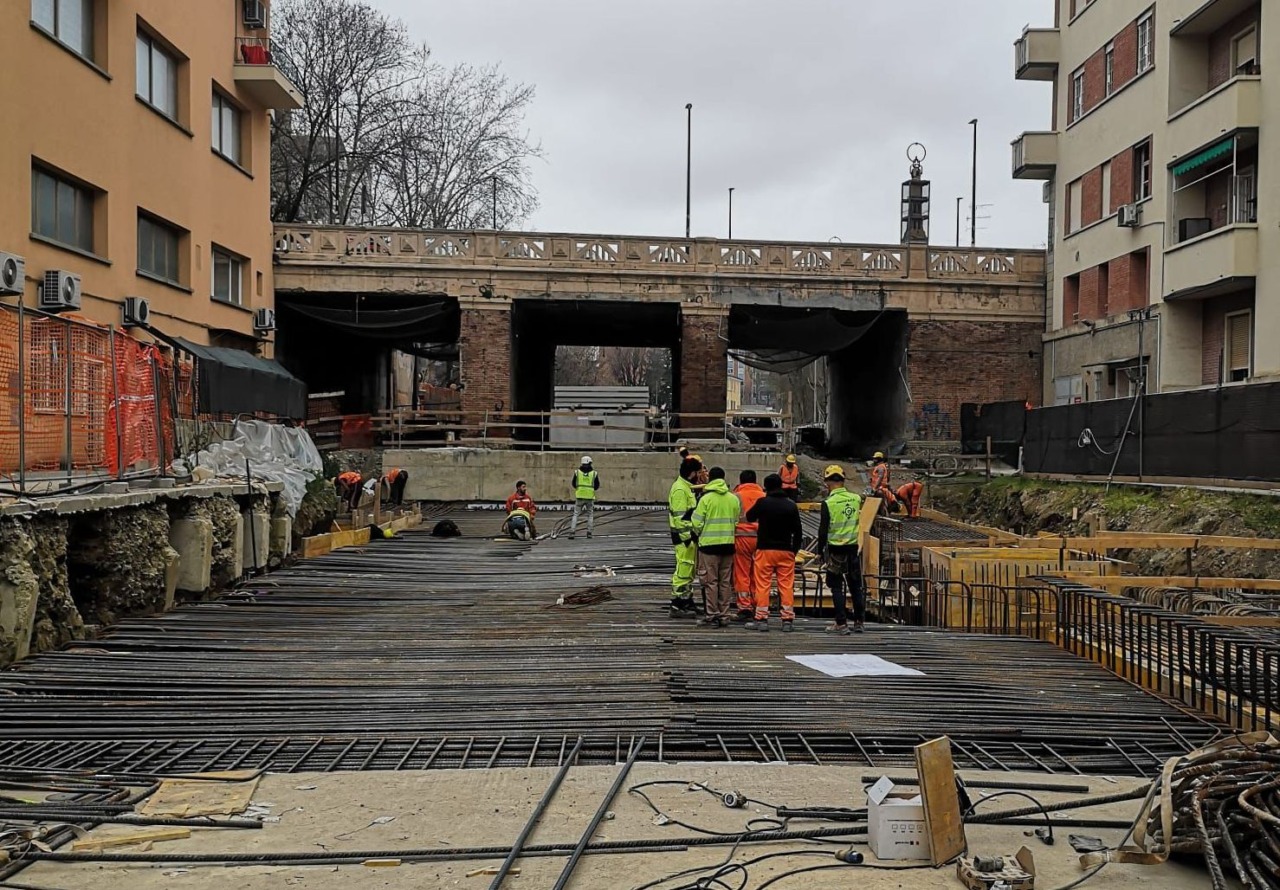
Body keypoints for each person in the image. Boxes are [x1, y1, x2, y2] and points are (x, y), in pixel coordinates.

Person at [745, 473, 803, 632]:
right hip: (785, 551)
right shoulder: (791, 505)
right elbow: (798, 531)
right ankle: (787, 620)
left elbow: (749, 517)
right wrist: (794, 550)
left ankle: (762, 619)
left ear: (766, 487)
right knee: (786, 585)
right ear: (782, 485)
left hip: (765, 549)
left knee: (763, 585)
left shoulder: (763, 502)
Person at [691, 467, 740, 628]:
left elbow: (696, 523)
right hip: (728, 545)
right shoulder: (733, 499)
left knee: (711, 582)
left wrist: (700, 534)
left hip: (709, 547)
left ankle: (712, 615)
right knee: (725, 583)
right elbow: (736, 522)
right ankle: (724, 614)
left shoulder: (705, 499)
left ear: (710, 479)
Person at [818, 465, 865, 635]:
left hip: (836, 549)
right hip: (852, 548)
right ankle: (859, 622)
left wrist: (819, 551)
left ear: (827, 482)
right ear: (843, 480)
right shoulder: (855, 499)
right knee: (855, 586)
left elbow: (823, 530)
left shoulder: (828, 503)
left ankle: (841, 623)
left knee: (836, 587)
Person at [668, 457, 703, 617]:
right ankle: (677, 604)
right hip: (685, 538)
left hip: (688, 538)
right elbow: (681, 518)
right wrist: (689, 537)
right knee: (683, 569)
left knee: (688, 570)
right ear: (692, 474)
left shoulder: (686, 487)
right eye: (698, 472)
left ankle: (687, 601)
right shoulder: (680, 490)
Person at [731, 469, 766, 621]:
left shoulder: (736, 496)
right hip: (761, 538)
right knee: (758, 573)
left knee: (742, 573)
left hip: (742, 537)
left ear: (741, 481)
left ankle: (744, 606)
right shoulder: (764, 496)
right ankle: (759, 603)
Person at [568, 456, 600, 539]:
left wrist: (579, 489)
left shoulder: (577, 472)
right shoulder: (594, 473)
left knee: (575, 514)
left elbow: (573, 483)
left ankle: (572, 532)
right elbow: (597, 486)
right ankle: (589, 532)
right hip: (589, 497)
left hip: (579, 496)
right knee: (590, 515)